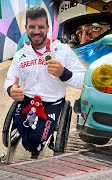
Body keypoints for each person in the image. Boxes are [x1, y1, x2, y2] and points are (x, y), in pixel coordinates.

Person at [4, 6, 86, 157]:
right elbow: (10, 79)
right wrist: (10, 89)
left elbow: (83, 81)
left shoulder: (62, 51)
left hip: (52, 104)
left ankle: (38, 143)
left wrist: (64, 73)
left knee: (36, 139)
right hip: (27, 101)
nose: (36, 31)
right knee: (18, 132)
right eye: (32, 27)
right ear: (26, 28)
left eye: (41, 27)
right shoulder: (21, 54)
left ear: (48, 28)